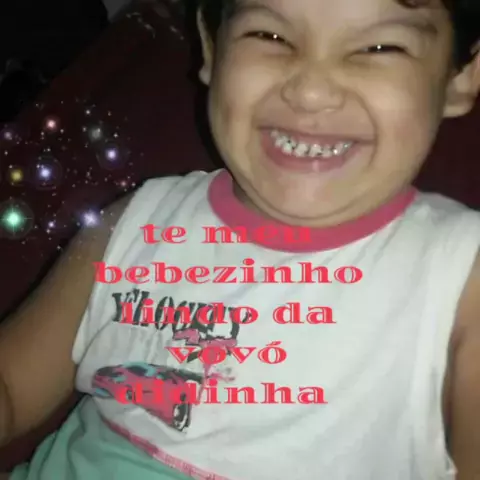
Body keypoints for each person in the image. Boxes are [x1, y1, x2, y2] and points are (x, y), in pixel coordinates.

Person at [1, 0, 480, 478]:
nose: (311, 91)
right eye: (269, 36)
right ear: (212, 48)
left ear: (461, 76)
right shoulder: (137, 219)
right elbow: (12, 388)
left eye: (380, 48)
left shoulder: (462, 277)